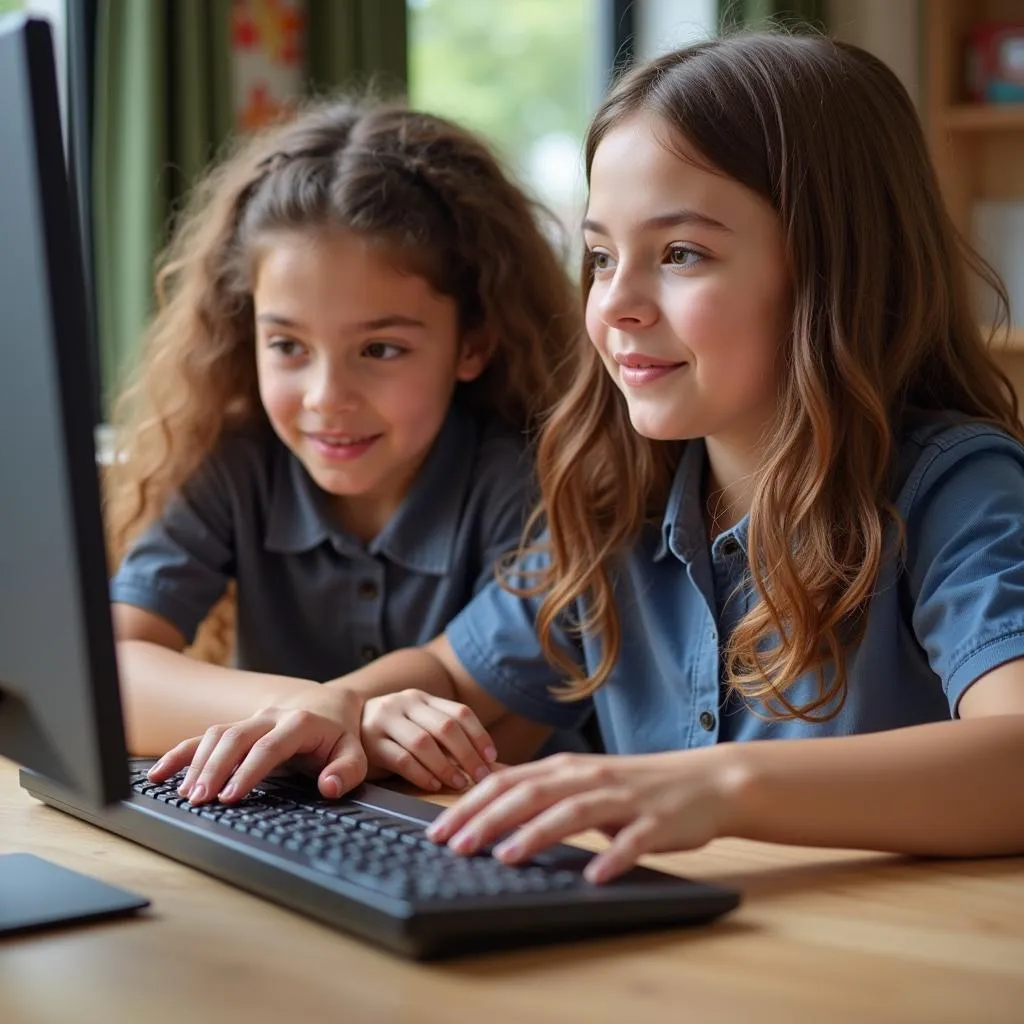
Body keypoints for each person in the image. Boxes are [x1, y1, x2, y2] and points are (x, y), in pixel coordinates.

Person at [150, 34, 1024, 883]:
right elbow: (456, 671)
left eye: (680, 254)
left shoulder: (955, 488)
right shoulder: (621, 504)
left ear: (837, 268)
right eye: (603, 257)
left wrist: (715, 787)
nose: (615, 305)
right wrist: (342, 700)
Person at [109, 96, 581, 787]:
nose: (327, 396)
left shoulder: (535, 486)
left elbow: (485, 702)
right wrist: (316, 709)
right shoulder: (240, 467)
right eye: (288, 345)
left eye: (380, 348)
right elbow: (113, 672)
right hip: (306, 832)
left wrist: (333, 713)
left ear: (472, 343)